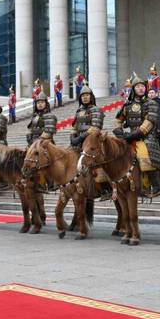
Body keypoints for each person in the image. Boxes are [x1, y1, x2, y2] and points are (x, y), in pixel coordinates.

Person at [114, 74, 160, 195]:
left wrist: (135, 134)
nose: (141, 88)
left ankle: (156, 184)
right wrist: (119, 131)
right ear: (133, 89)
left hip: (147, 136)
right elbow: (119, 120)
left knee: (143, 153)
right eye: (138, 86)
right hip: (130, 136)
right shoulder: (128, 105)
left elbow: (149, 122)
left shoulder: (151, 103)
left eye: (142, 86)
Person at [68, 84, 104, 225]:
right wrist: (73, 138)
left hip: (91, 143)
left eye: (87, 95)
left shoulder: (96, 110)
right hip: (77, 144)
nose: (85, 97)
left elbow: (95, 128)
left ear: (91, 96)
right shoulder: (79, 111)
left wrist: (81, 137)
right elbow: (73, 127)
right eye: (83, 96)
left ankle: (103, 186)